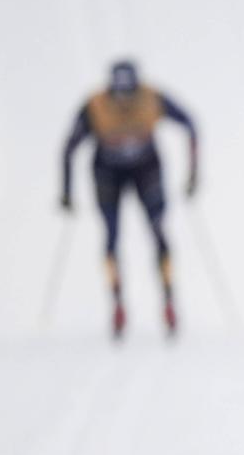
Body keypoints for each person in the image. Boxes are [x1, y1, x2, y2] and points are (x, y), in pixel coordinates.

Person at [61, 60, 199, 338]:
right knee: (113, 235)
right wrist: (66, 190)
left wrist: (193, 174)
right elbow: (69, 148)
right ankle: (118, 305)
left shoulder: (149, 98)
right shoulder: (98, 105)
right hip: (108, 171)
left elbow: (190, 125)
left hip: (145, 169)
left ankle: (168, 302)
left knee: (157, 230)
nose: (124, 99)